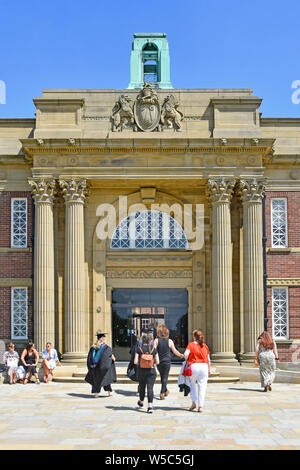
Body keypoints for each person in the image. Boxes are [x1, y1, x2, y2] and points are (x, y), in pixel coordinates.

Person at [153, 325, 184, 400]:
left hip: (158, 362)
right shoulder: (169, 341)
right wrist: (181, 355)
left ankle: (165, 390)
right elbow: (175, 351)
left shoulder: (156, 340)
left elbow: (153, 351)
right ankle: (162, 393)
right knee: (165, 377)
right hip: (167, 361)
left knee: (162, 376)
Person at [184, 330, 211, 412]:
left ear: (194, 337)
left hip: (194, 366)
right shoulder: (205, 346)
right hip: (204, 367)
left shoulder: (191, 345)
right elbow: (209, 360)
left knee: (192, 384)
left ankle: (193, 402)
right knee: (202, 386)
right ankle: (200, 406)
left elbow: (185, 354)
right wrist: (209, 369)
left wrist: (187, 360)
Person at [85, 331, 116, 398]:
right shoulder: (106, 348)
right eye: (104, 338)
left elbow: (89, 358)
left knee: (96, 381)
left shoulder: (93, 348)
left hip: (95, 368)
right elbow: (110, 358)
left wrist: (91, 367)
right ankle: (109, 392)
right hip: (102, 368)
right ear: (102, 339)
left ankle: (96, 394)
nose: (105, 339)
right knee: (106, 380)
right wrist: (113, 359)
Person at [134, 332, 159, 413]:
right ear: (150, 340)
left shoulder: (139, 349)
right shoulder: (153, 349)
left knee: (142, 387)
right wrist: (151, 361)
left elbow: (135, 361)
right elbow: (158, 362)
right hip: (151, 371)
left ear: (142, 340)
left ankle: (141, 401)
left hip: (141, 370)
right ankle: (150, 406)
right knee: (150, 388)